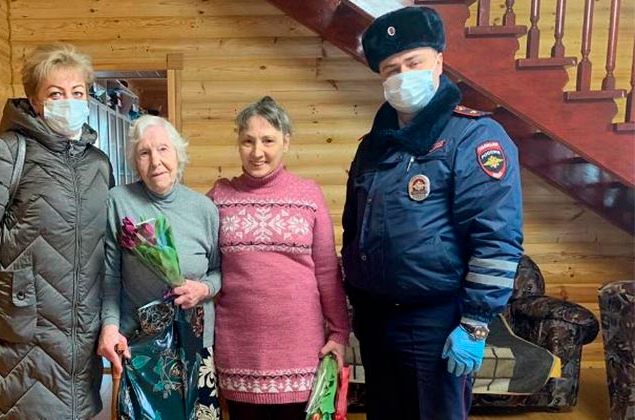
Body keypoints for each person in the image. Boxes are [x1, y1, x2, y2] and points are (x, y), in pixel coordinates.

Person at [341, 7, 524, 420]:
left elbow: (496, 239)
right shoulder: (372, 146)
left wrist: (475, 322)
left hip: (436, 322)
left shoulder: (474, 137)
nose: (403, 75)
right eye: (391, 69)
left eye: (413, 62)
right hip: (375, 319)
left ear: (439, 62)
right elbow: (354, 229)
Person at [0, 43, 113, 419]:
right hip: (22, 322)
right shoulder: (5, 152)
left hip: (81, 325)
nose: (68, 101)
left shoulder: (98, 164)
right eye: (55, 93)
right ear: (35, 101)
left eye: (77, 93)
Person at [207, 97, 350, 420]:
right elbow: (203, 266)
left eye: (268, 140)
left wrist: (339, 333)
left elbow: (327, 272)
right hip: (239, 353)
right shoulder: (218, 198)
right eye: (248, 141)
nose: (257, 152)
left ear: (286, 142)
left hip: (301, 352)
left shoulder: (309, 196)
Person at [97, 115, 222, 418]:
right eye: (144, 152)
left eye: (163, 149)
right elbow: (110, 277)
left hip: (196, 344)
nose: (156, 161)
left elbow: (220, 272)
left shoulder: (204, 209)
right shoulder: (118, 201)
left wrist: (203, 288)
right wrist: (109, 327)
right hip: (139, 344)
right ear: (135, 161)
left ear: (178, 154)